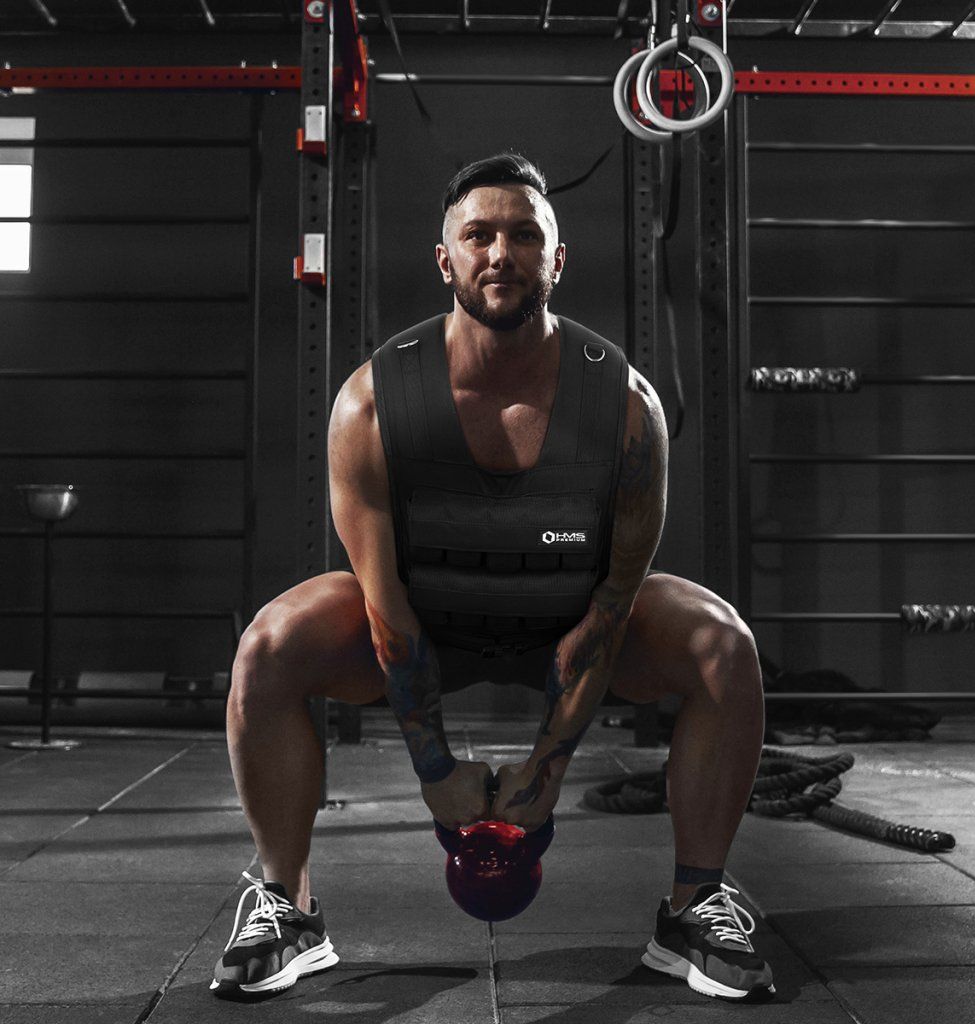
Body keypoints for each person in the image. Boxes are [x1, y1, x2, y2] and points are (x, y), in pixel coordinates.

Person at [210, 152, 774, 1003]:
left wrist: (547, 770)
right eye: (478, 236)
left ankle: (694, 906)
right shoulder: (371, 405)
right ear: (446, 261)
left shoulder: (626, 408)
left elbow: (610, 613)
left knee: (721, 645)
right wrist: (434, 768)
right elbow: (387, 614)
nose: (500, 253)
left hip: (570, 623)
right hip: (422, 627)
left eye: (523, 236)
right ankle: (286, 906)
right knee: (269, 645)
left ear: (558, 259)